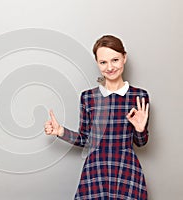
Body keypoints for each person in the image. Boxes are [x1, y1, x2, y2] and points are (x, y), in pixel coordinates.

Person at [44, 35, 150, 200]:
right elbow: (86, 139)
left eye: (115, 60)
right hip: (96, 169)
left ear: (124, 58)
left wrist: (140, 129)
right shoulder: (88, 97)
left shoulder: (139, 96)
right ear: (97, 63)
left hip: (126, 168)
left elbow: (141, 142)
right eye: (103, 62)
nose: (110, 67)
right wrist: (60, 131)